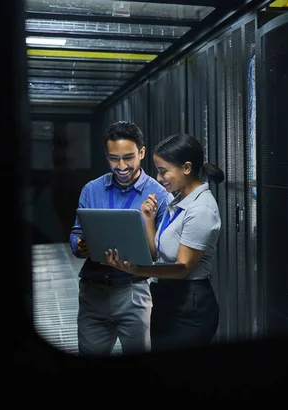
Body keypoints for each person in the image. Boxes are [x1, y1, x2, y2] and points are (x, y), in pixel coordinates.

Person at [105, 133, 224, 352]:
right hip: (168, 299)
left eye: (163, 170)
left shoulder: (201, 210)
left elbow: (182, 268)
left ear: (187, 168)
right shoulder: (177, 201)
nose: (159, 178)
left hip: (189, 306)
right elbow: (157, 255)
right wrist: (149, 222)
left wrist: (137, 270)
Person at [69, 120, 172, 356]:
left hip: (133, 294)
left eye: (128, 157)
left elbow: (162, 252)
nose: (122, 166)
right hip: (93, 293)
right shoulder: (91, 190)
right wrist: (80, 245)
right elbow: (76, 233)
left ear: (142, 153)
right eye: (114, 159)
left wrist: (148, 222)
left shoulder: (159, 195)